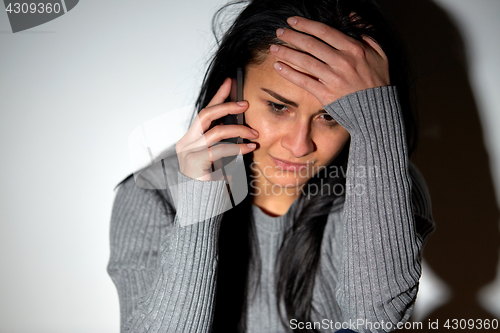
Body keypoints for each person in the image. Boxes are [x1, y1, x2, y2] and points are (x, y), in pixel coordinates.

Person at [107, 0, 435, 332]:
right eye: (278, 107)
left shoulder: (383, 182)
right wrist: (199, 207)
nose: (299, 145)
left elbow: (376, 320)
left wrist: (377, 126)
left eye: (330, 117)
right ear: (233, 88)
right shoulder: (152, 195)